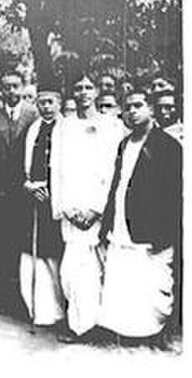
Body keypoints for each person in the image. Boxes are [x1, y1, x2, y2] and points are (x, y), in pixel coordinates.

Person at [98, 91, 182, 347]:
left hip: (151, 226)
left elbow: (172, 195)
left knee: (153, 278)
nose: (133, 111)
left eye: (138, 105)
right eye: (128, 107)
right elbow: (118, 184)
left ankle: (156, 332)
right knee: (125, 275)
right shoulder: (124, 144)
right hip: (123, 220)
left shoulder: (168, 146)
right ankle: (125, 330)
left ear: (151, 110)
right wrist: (108, 222)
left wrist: (165, 233)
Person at [50, 71, 124, 343]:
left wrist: (96, 209)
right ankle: (79, 322)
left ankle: (90, 326)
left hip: (97, 210)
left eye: (88, 87)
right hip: (71, 209)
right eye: (78, 87)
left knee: (95, 267)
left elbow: (111, 170)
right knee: (71, 269)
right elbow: (56, 169)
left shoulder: (111, 126)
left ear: (96, 92)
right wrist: (65, 208)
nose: (83, 92)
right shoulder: (63, 126)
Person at [0, 71, 38, 316]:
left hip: (24, 194)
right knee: (1, 244)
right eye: (6, 87)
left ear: (22, 87)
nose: (11, 92)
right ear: (0, 91)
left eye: (15, 86)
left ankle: (23, 298)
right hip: (0, 193)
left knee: (22, 244)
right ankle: (3, 297)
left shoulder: (33, 116)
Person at [19, 80, 65, 328]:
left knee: (53, 253)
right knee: (32, 252)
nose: (46, 107)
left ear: (58, 103)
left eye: (50, 102)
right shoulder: (33, 128)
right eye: (42, 102)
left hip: (55, 200)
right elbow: (23, 167)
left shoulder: (67, 128)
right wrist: (29, 185)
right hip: (33, 200)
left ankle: (58, 310)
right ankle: (39, 309)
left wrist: (53, 190)